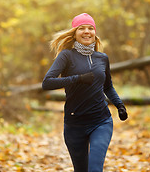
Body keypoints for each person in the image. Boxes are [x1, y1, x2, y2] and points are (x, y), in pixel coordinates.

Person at [42, 13, 128, 172]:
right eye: (82, 28)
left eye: (90, 28)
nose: (87, 31)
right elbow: (47, 82)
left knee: (95, 169)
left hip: (101, 121)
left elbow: (107, 86)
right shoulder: (66, 56)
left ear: (95, 32)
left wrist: (120, 105)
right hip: (75, 124)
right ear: (74, 33)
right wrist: (78, 78)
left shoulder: (102, 58)